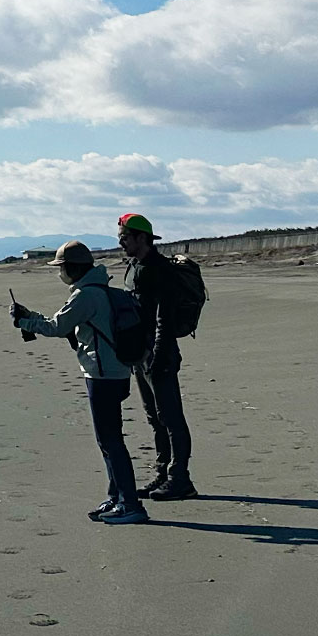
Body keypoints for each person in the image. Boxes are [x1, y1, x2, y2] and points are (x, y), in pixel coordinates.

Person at [10, 241, 150, 525]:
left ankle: (130, 504)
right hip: (118, 372)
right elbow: (63, 326)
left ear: (72, 268)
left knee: (110, 441)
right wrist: (31, 319)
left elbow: (57, 327)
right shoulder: (103, 291)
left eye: (60, 268)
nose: (59, 274)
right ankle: (117, 497)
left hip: (102, 376)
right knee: (110, 440)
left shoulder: (85, 296)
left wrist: (25, 321)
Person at [118, 212, 197, 501]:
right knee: (155, 418)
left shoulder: (159, 269)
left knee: (171, 417)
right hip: (140, 355)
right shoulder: (134, 266)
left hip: (158, 354)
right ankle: (163, 473)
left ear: (142, 238)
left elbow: (165, 316)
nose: (121, 243)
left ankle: (180, 479)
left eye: (125, 238)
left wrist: (160, 354)